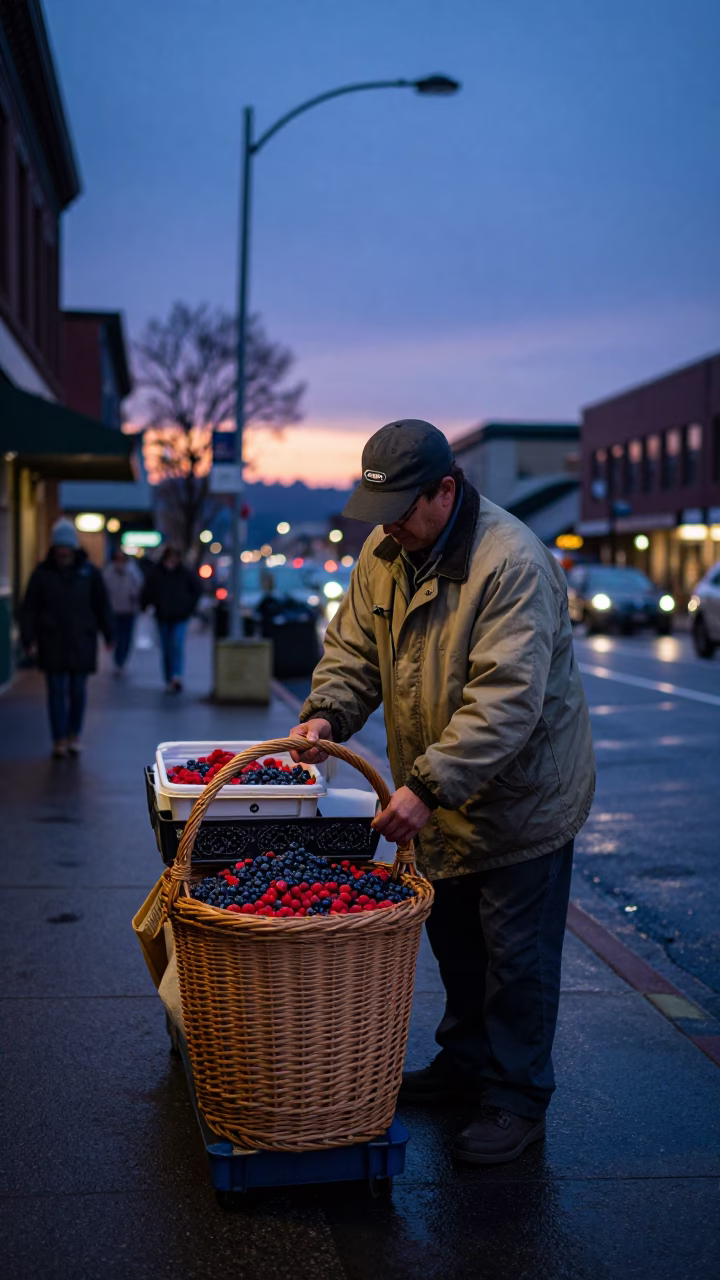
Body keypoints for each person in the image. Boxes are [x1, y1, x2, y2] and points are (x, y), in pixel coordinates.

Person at [289, 419, 595, 1165]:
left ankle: (517, 1098)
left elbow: (505, 702)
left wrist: (426, 784)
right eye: (381, 509)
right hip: (442, 797)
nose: (389, 525)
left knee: (515, 960)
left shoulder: (511, 561)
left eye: (402, 507)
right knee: (456, 942)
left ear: (446, 490)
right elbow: (354, 649)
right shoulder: (386, 551)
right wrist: (326, 714)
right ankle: (465, 1065)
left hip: (522, 798)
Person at [20, 518, 114, 758]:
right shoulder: (42, 574)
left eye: (66, 546)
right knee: (55, 691)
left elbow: (102, 605)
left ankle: (74, 735)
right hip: (52, 641)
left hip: (81, 640)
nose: (63, 551)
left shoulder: (89, 573)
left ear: (72, 547)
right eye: (59, 546)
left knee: (77, 691)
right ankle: (59, 738)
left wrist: (109, 634)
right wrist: (28, 639)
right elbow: (30, 608)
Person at [141, 546, 200, 693]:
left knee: (176, 644)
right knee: (167, 647)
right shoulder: (156, 573)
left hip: (179, 615)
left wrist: (188, 607)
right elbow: (147, 590)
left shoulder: (184, 573)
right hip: (163, 615)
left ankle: (175, 676)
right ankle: (170, 676)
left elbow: (197, 589)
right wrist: (147, 605)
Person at [102, 546, 144, 674]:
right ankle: (117, 659)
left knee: (126, 637)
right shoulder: (108, 572)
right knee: (116, 635)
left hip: (128, 610)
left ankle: (121, 660)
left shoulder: (133, 571)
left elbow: (139, 587)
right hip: (113, 609)